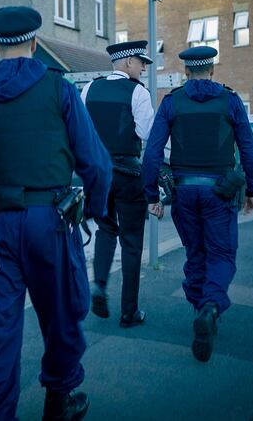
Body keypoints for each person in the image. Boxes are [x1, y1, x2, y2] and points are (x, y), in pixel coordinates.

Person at [0, 6, 112, 421]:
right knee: (62, 315)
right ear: (34, 43)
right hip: (52, 221)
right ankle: (59, 401)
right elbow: (96, 163)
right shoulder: (58, 89)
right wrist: (94, 211)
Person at [141, 46, 253, 363]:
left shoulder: (172, 101)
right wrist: (252, 189)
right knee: (221, 253)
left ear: (186, 72)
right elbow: (248, 147)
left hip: (183, 191)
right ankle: (210, 307)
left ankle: (201, 308)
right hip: (219, 192)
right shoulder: (230, 101)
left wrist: (152, 194)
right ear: (212, 70)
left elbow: (152, 152)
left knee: (196, 253)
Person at [80, 40, 154, 327]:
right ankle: (129, 311)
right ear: (126, 63)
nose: (143, 67)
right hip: (127, 174)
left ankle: (99, 285)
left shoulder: (90, 88)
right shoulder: (137, 92)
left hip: (99, 173)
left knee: (106, 230)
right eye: (140, 62)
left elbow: (82, 129)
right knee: (132, 241)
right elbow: (146, 132)